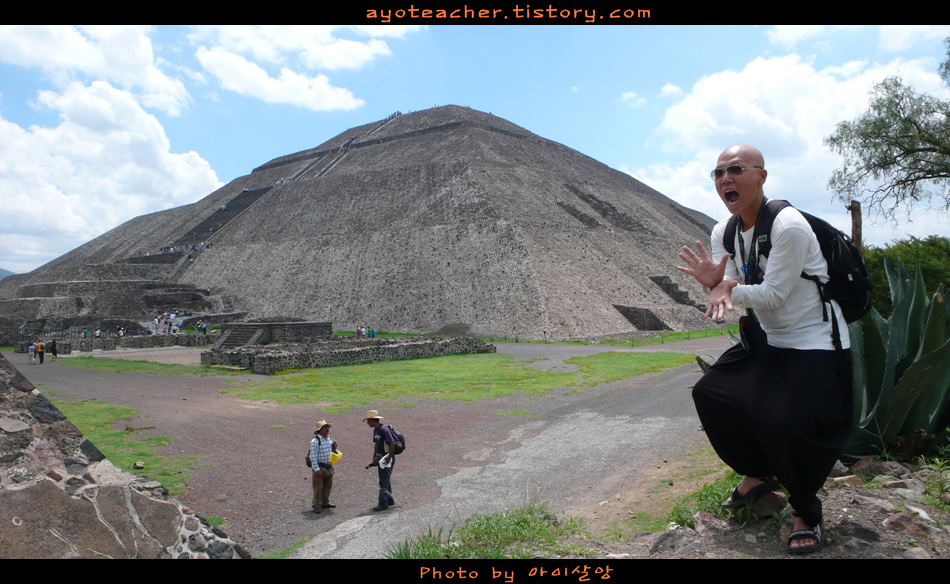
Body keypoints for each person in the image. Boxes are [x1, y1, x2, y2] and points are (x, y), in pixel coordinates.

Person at [677, 144, 853, 555]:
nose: (725, 180)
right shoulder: (725, 230)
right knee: (713, 394)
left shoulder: (788, 226)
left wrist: (727, 290)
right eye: (718, 173)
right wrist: (715, 284)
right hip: (770, 338)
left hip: (814, 341)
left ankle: (806, 512)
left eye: (735, 169)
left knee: (786, 423)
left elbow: (771, 294)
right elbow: (734, 283)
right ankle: (758, 474)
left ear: (762, 176)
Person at [364, 410, 396, 511]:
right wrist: (375, 457)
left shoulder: (384, 430)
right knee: (385, 479)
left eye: (368, 420)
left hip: (386, 458)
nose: (367, 423)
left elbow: (392, 443)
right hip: (382, 458)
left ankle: (383, 503)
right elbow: (377, 444)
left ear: (373, 420)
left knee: (383, 480)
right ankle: (389, 499)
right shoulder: (376, 430)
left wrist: (389, 457)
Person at [309, 420, 339, 514]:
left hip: (328, 466)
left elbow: (332, 451)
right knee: (318, 487)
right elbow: (313, 457)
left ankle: (325, 503)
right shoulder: (315, 442)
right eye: (325, 428)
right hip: (320, 466)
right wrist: (316, 469)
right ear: (320, 430)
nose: (327, 429)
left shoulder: (329, 438)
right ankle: (316, 505)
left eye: (327, 427)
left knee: (327, 486)